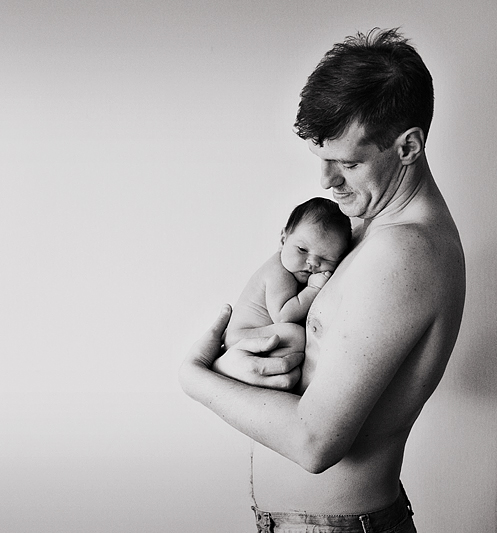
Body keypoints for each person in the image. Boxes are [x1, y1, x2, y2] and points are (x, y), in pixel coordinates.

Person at [179, 28, 465, 533]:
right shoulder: (366, 230)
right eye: (323, 159)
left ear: (408, 146)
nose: (326, 181)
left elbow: (315, 443)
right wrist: (238, 359)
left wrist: (196, 377)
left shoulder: (404, 251)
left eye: (348, 163)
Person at [224, 197, 351, 354]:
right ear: (283, 240)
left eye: (326, 258)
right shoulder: (278, 272)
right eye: (302, 250)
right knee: (295, 335)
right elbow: (283, 317)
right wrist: (313, 288)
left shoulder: (292, 269)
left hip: (255, 336)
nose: (312, 262)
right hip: (241, 337)